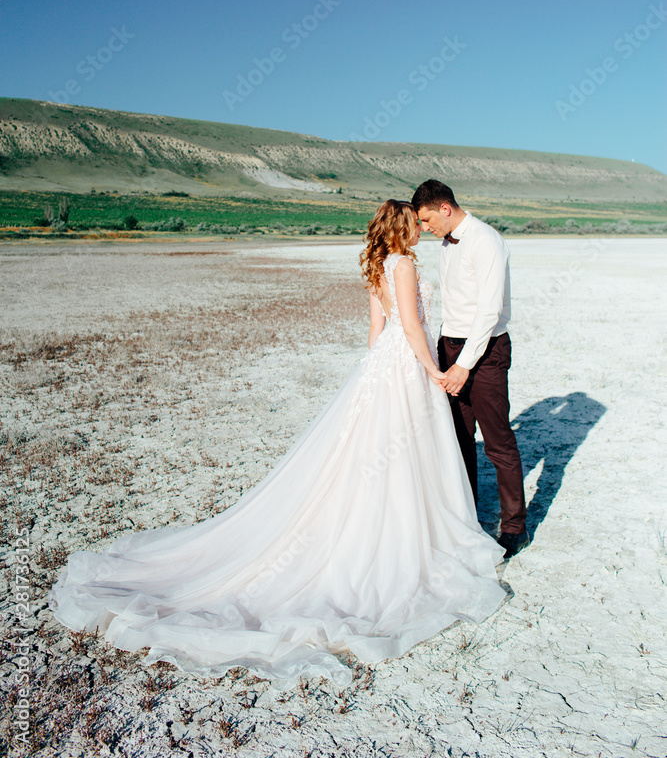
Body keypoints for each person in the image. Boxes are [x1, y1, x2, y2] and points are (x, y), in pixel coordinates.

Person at [48, 200, 506, 690]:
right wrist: (431, 371)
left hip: (380, 367)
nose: (420, 231)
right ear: (402, 230)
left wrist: (374, 379)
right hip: (408, 365)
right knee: (403, 453)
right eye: (414, 224)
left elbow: (377, 333)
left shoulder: (377, 266)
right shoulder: (406, 266)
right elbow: (414, 328)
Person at [411, 180, 529, 558]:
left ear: (445, 208)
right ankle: (465, 520)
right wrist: (446, 353)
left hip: (487, 351)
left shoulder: (486, 240)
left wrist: (464, 365)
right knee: (459, 439)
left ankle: (514, 527)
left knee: (498, 443)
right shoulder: (448, 243)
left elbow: (488, 311)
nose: (425, 228)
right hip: (451, 347)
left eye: (427, 220)